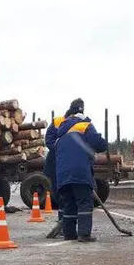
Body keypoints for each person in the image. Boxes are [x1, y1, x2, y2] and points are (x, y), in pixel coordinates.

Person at [54, 98, 108, 242]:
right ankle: (84, 234)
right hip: (80, 171)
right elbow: (100, 144)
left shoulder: (60, 132)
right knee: (84, 202)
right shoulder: (85, 125)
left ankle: (69, 234)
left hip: (62, 174)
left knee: (69, 204)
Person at [44, 112, 66, 238]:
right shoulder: (57, 122)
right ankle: (63, 222)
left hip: (67, 165)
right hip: (55, 165)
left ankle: (67, 223)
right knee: (60, 195)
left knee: (67, 196)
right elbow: (49, 141)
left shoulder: (80, 125)